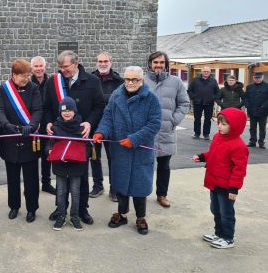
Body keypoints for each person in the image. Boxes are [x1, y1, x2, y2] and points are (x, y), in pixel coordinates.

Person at [93, 66, 161, 235]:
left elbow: (154, 124)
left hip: (140, 150)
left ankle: (140, 217)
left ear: (141, 80)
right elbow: (108, 116)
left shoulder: (151, 98)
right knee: (121, 184)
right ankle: (122, 214)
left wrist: (135, 139)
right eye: (127, 79)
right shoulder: (117, 95)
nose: (130, 82)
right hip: (120, 149)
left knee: (140, 186)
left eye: (134, 79)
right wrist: (101, 131)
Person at [43, 50, 105, 225]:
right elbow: (46, 106)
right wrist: (48, 122)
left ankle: (81, 209)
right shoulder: (52, 82)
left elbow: (99, 106)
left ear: (76, 63)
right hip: (60, 136)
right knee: (61, 177)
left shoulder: (92, 81)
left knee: (81, 176)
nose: (63, 70)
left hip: (80, 137)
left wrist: (90, 123)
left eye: (66, 67)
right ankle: (60, 208)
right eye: (60, 67)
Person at [192, 108, 249, 249]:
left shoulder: (239, 146)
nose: (219, 126)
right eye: (219, 123)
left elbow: (239, 170)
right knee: (215, 210)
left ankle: (228, 238)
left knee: (226, 213)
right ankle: (219, 233)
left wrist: (234, 189)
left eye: (224, 124)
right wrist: (202, 157)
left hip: (227, 187)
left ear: (234, 126)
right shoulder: (218, 138)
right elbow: (213, 153)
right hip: (214, 182)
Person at [0, 58, 42, 223]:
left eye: (28, 75)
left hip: (29, 140)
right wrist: (5, 124)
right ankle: (14, 206)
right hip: (10, 139)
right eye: (23, 76)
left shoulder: (34, 88)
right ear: (13, 75)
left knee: (31, 179)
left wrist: (32, 124)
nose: (26, 79)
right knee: (12, 177)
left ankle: (31, 208)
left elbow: (37, 109)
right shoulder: (4, 89)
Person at [145, 51, 190, 208]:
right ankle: (142, 193)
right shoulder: (142, 81)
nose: (158, 65)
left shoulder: (176, 82)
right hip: (147, 132)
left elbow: (184, 103)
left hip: (166, 131)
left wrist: (174, 120)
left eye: (161, 62)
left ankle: (162, 195)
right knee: (145, 165)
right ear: (150, 63)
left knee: (164, 166)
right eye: (155, 62)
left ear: (166, 64)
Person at [47, 97, 89, 231]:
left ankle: (74, 216)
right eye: (64, 110)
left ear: (75, 112)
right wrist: (49, 150)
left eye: (70, 110)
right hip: (60, 166)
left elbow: (87, 146)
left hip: (76, 167)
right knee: (60, 192)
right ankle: (61, 215)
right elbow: (49, 144)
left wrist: (82, 153)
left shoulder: (82, 127)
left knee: (75, 192)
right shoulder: (55, 127)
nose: (67, 113)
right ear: (60, 112)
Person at [90, 51, 123, 201]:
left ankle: (114, 188)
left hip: (113, 126)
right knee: (94, 157)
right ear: (96, 63)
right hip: (94, 126)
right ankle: (98, 186)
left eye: (105, 61)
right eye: (100, 61)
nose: (102, 64)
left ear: (111, 62)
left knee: (113, 158)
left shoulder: (119, 82)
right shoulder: (89, 79)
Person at [31, 56, 55, 195]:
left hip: (48, 125)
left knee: (47, 155)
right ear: (32, 68)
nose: (39, 69)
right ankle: (32, 185)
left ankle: (46, 183)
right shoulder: (28, 82)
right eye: (36, 66)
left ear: (45, 67)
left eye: (41, 66)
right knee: (32, 157)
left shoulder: (51, 82)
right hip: (33, 125)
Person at [187, 66, 219, 140]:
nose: (206, 73)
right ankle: (196, 133)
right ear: (202, 72)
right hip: (198, 103)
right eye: (205, 71)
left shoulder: (213, 81)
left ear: (210, 72)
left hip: (209, 103)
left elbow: (217, 92)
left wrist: (213, 98)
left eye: (207, 71)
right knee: (197, 119)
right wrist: (194, 98)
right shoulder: (195, 80)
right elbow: (189, 91)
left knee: (208, 119)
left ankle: (206, 134)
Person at [244, 72, 268, 149]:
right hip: (252, 110)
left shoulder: (267, 86)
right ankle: (252, 141)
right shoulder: (249, 87)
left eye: (259, 77)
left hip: (263, 110)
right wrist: (248, 106)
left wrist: (263, 106)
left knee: (262, 128)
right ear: (254, 78)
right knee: (252, 127)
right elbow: (246, 97)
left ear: (262, 77)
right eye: (256, 78)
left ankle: (261, 142)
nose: (257, 79)